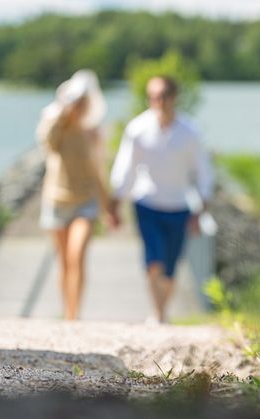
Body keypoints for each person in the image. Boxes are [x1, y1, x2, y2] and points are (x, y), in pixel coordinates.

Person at [109, 76, 214, 324]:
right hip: (147, 203)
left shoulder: (190, 132)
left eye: (164, 96)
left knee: (170, 268)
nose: (159, 102)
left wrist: (202, 209)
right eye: (154, 96)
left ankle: (161, 311)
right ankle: (158, 315)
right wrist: (115, 205)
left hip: (178, 205)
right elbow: (125, 168)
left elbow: (202, 172)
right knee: (153, 261)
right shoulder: (137, 128)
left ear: (175, 97)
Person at [36, 70, 117, 320]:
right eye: (77, 102)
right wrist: (62, 111)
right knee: (63, 262)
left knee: (76, 255)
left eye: (84, 103)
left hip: (85, 200)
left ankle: (75, 314)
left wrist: (109, 207)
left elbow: (98, 170)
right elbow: (46, 141)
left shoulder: (92, 132)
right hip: (56, 199)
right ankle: (67, 310)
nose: (80, 107)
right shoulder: (56, 126)